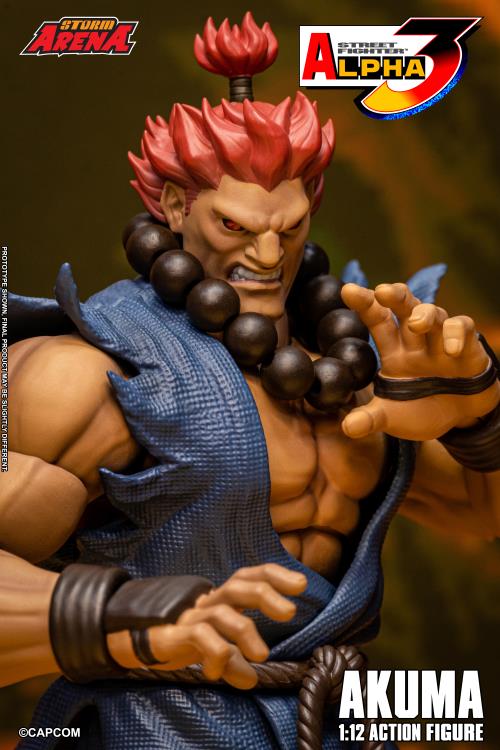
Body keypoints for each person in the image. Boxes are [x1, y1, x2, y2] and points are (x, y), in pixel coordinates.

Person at [2, 12, 499, 750]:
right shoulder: (88, 373)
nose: (269, 255)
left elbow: (479, 514)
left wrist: (480, 418)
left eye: (289, 228)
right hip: (156, 725)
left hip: (339, 718)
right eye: (235, 227)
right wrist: (124, 619)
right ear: (176, 207)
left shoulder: (360, 362)